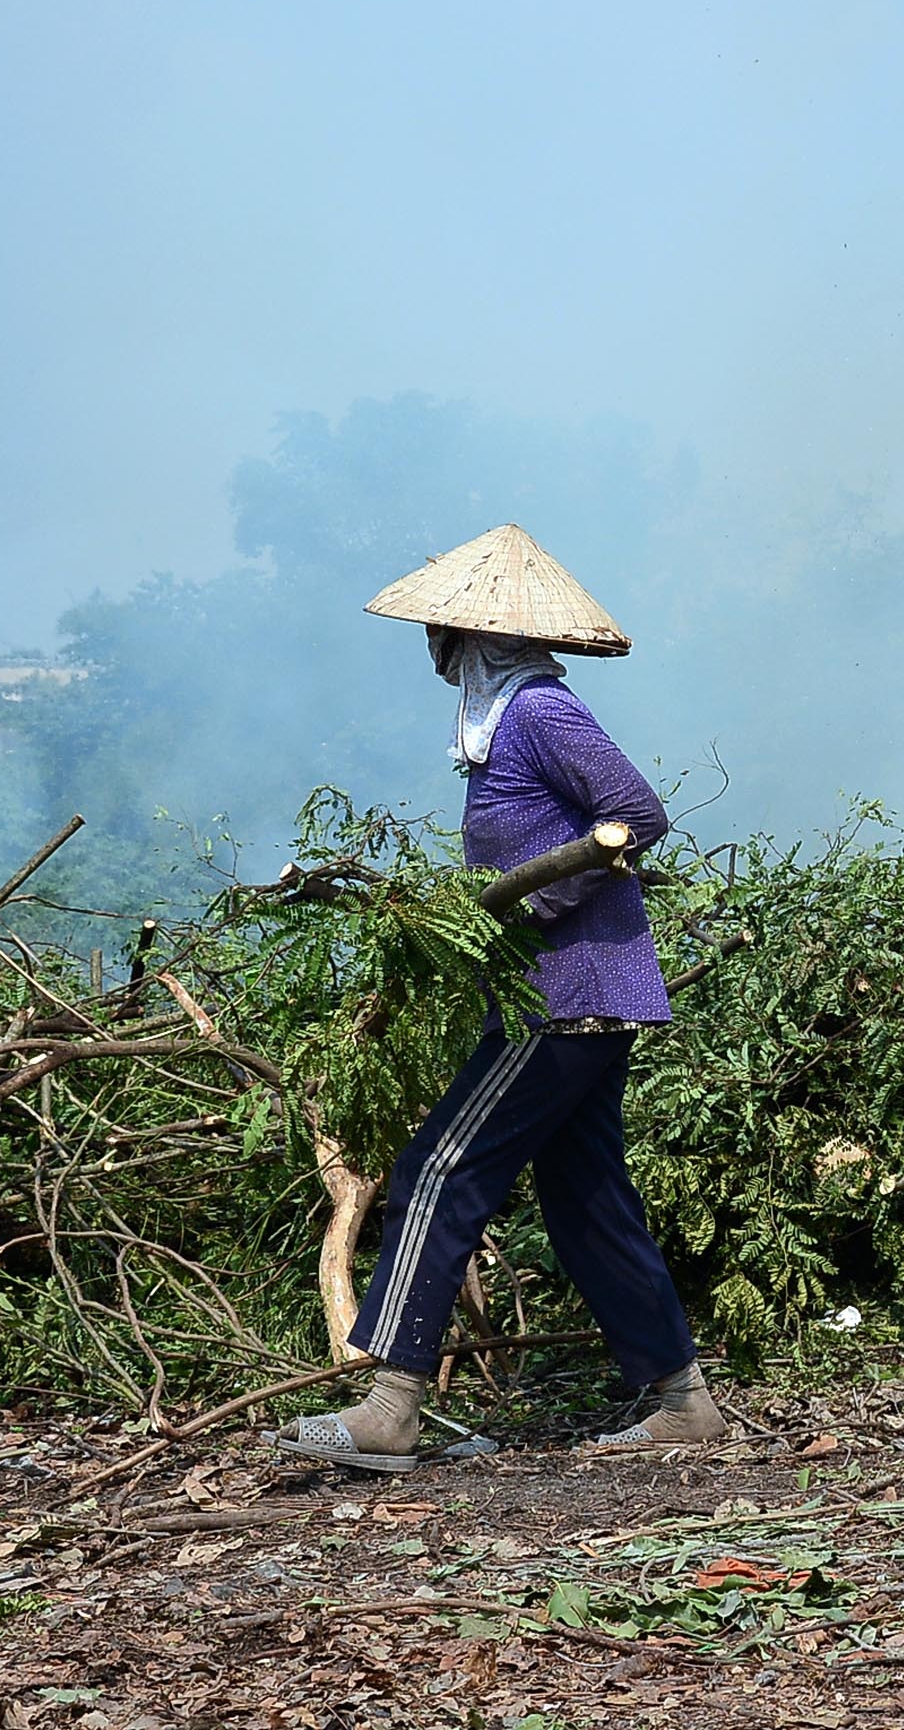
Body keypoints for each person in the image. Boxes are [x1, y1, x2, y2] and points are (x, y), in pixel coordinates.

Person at [266, 524, 721, 1469]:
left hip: (563, 996)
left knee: (440, 1167)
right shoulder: (502, 722)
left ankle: (391, 1405)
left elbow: (636, 815)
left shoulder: (541, 712)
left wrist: (534, 904)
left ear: (472, 637)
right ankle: (685, 1402)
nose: (432, 648)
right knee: (587, 1195)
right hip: (578, 996)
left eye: (440, 632)